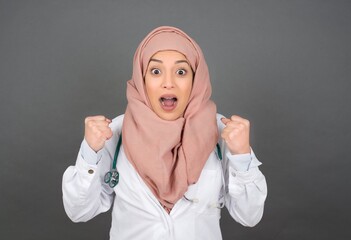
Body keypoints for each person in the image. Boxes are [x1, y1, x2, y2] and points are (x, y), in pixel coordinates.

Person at [62, 26, 267, 240]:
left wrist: (242, 157)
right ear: (142, 79)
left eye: (181, 72)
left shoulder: (223, 135)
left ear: (196, 79)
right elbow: (79, 212)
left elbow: (249, 216)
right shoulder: (113, 134)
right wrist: (89, 153)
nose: (168, 83)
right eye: (156, 71)